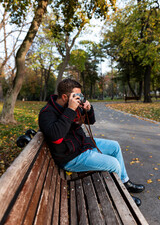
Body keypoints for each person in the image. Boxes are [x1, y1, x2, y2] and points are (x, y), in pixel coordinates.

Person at [39, 78, 145, 206]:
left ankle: (125, 182)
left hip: (83, 145)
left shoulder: (72, 105)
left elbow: (90, 121)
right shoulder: (47, 113)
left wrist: (88, 110)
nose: (80, 98)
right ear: (65, 97)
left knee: (114, 146)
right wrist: (71, 110)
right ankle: (122, 196)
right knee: (113, 164)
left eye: (80, 95)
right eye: (77, 96)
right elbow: (57, 138)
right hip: (71, 157)